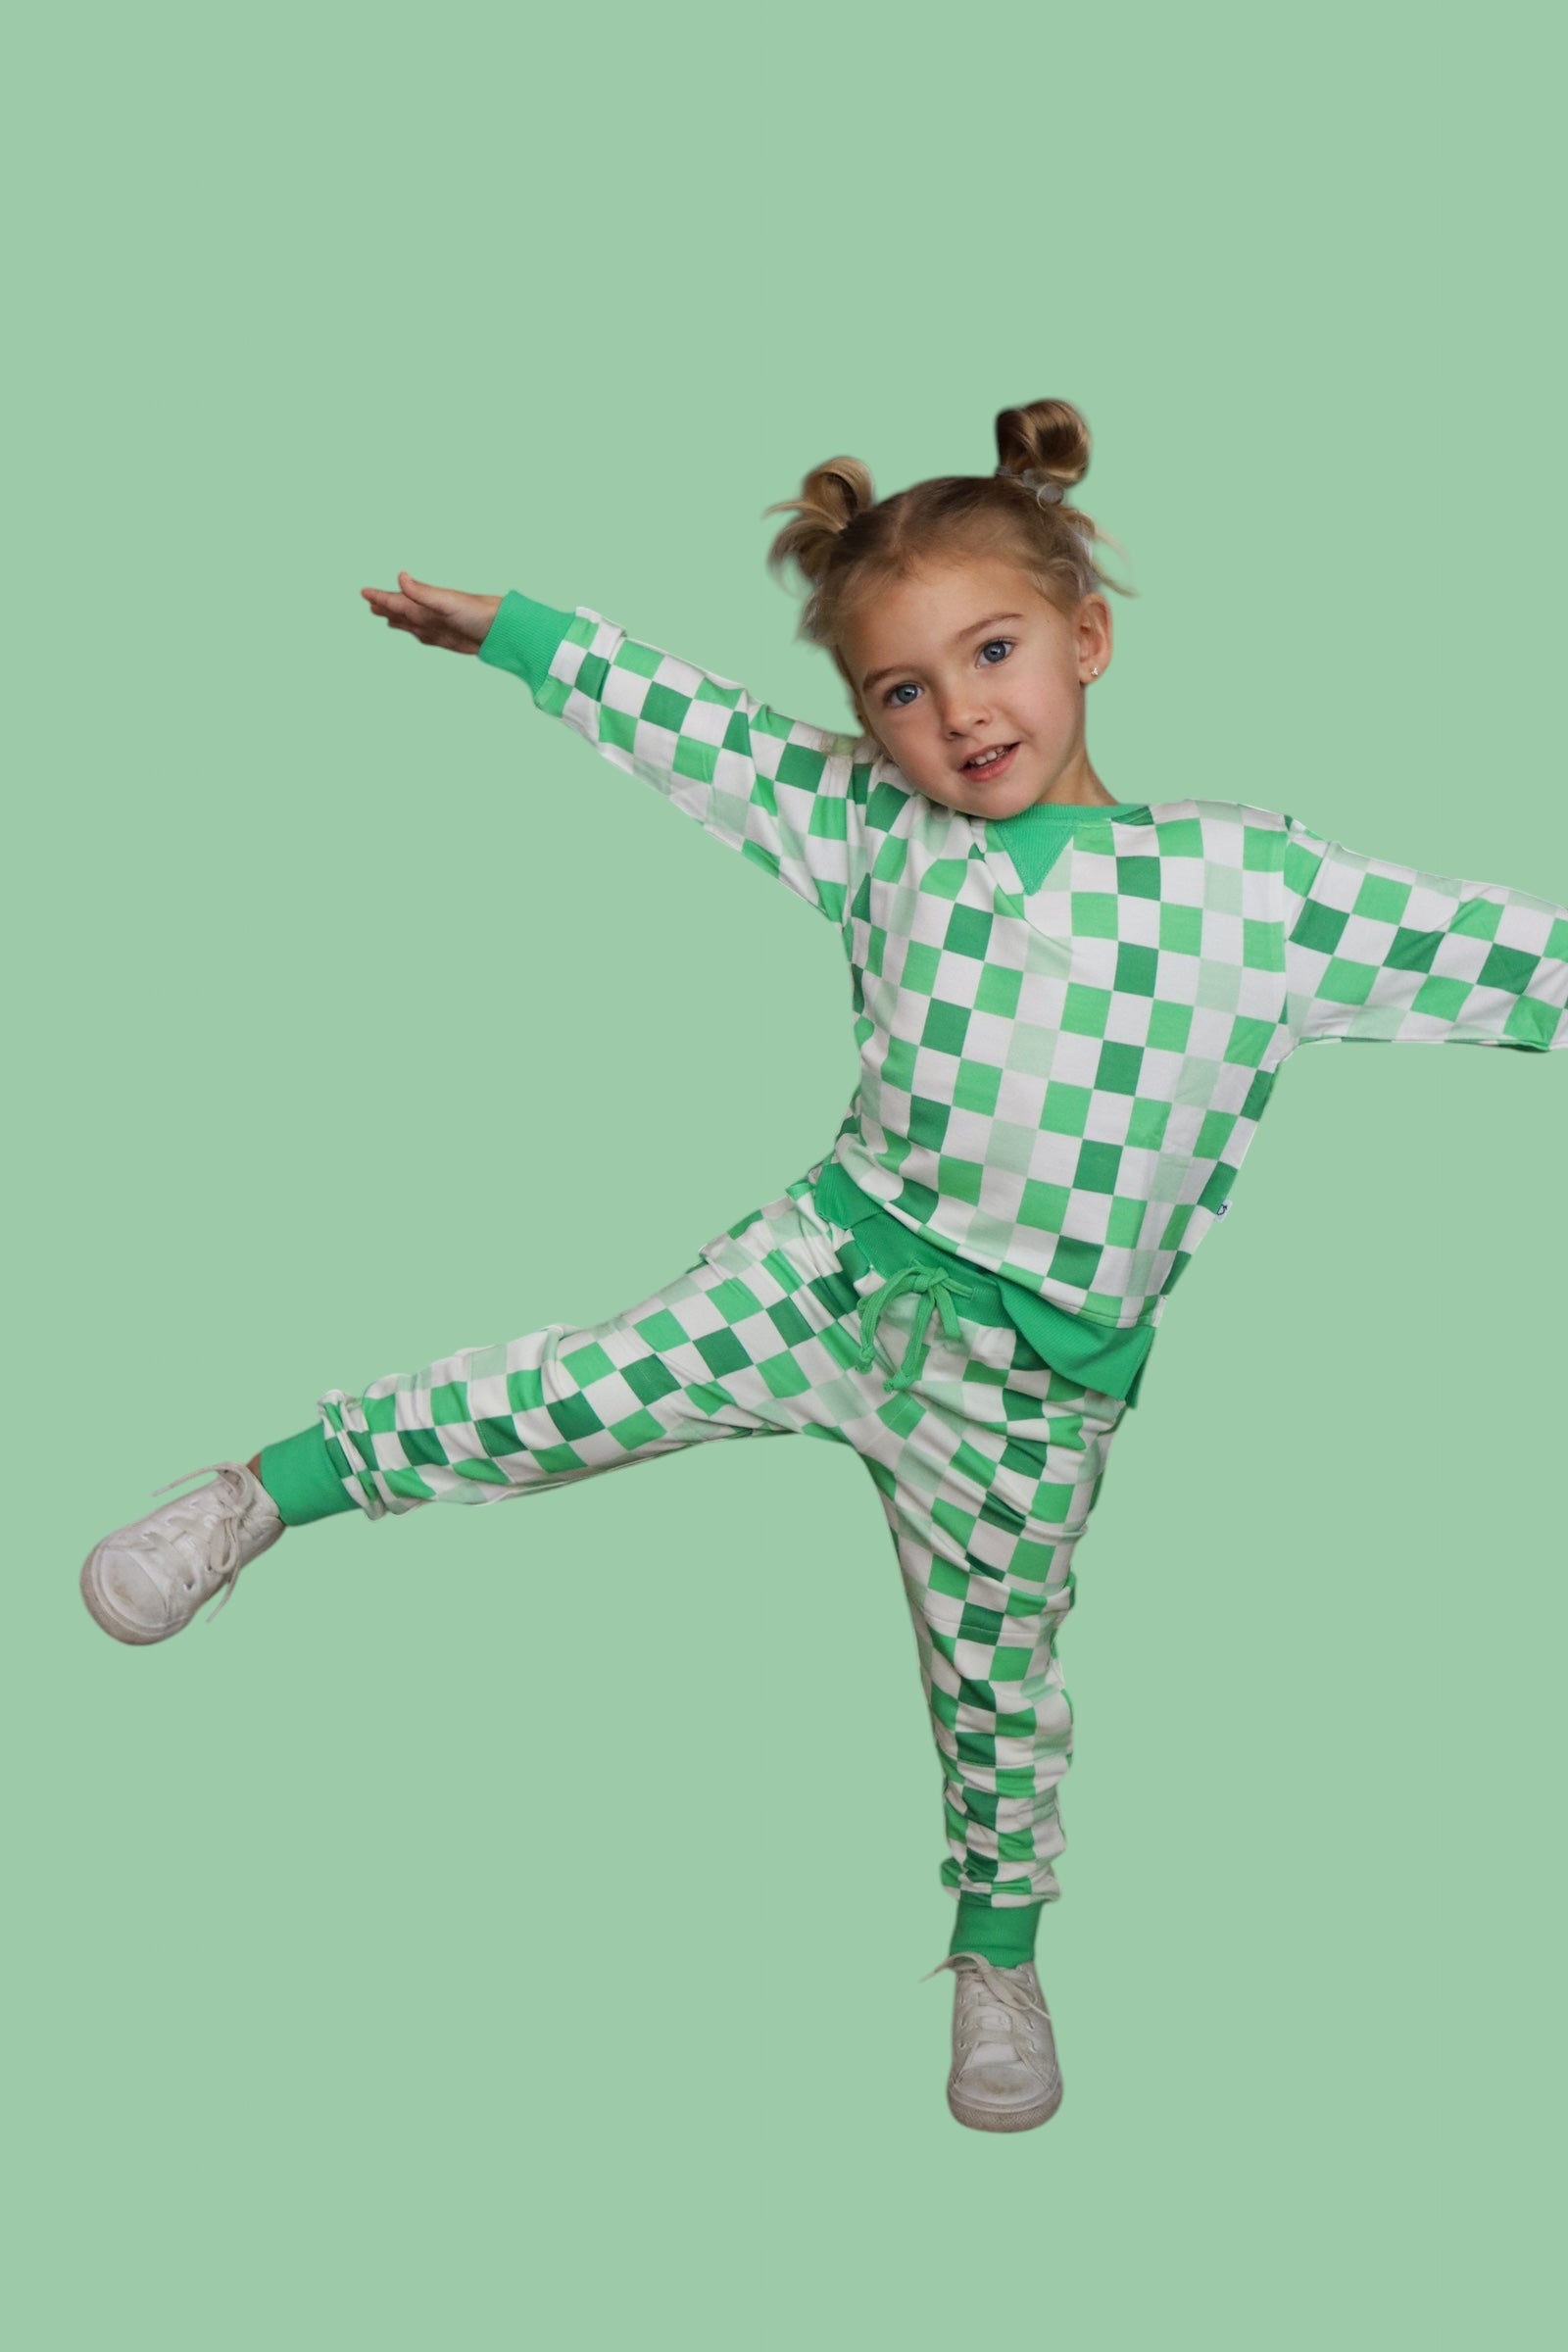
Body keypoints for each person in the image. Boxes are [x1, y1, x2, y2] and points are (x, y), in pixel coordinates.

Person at [77, 398, 1568, 2134]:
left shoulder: (1247, 887)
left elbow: (1509, 953)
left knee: (997, 1690)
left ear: (1088, 639)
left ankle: (997, 1958)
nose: (960, 715)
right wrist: (522, 638)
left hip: (1030, 1392)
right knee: (566, 1395)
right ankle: (261, 1493)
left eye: (993, 653)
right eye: (900, 692)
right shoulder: (878, 826)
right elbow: (705, 730)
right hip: (830, 1281)